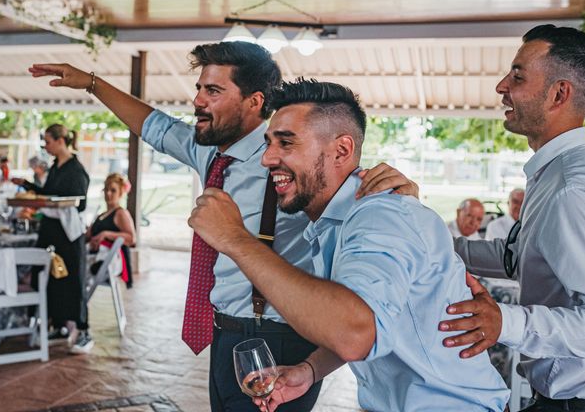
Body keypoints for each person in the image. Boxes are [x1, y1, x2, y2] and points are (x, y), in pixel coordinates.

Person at [28, 41, 417, 411]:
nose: (197, 100)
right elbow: (156, 127)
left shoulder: (295, 166)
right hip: (224, 331)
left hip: (279, 337)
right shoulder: (211, 152)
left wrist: (404, 195)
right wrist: (93, 84)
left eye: (213, 90)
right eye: (199, 88)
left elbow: (356, 191)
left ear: (254, 102)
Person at [189, 79, 509, 412]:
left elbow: (357, 332)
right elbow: (374, 322)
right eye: (269, 143)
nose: (267, 159)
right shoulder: (334, 223)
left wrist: (235, 239)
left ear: (342, 150)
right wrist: (310, 370)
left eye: (286, 143)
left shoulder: (380, 216)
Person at [416, 25, 585, 411]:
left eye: (517, 76)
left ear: (559, 93)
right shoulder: (554, 173)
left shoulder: (572, 188)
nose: (501, 86)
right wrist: (421, 239)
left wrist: (505, 322)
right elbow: (517, 257)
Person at [12, 124, 92, 354]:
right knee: (50, 281)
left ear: (60, 141)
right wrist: (27, 186)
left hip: (67, 233)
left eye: (47, 141)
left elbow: (79, 203)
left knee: (72, 281)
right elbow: (47, 194)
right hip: (50, 230)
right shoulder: (57, 166)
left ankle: (83, 331)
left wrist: (46, 199)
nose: (45, 146)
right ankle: (59, 325)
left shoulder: (76, 170)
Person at [86, 173, 135, 288]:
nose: (108, 194)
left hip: (111, 262)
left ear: (120, 193)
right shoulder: (100, 215)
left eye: (113, 190)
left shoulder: (121, 213)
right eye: (106, 190)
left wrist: (106, 234)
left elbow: (131, 239)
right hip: (95, 256)